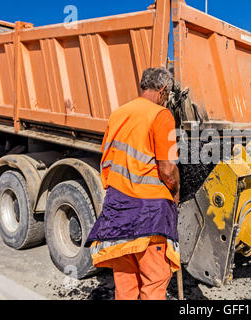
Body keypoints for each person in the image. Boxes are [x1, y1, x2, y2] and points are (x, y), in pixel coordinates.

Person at [85, 67, 180, 300]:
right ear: (163, 90)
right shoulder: (161, 115)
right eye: (167, 95)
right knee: (155, 281)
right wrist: (176, 190)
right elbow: (167, 169)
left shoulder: (118, 113)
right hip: (148, 214)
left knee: (126, 285)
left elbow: (107, 159)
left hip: (117, 210)